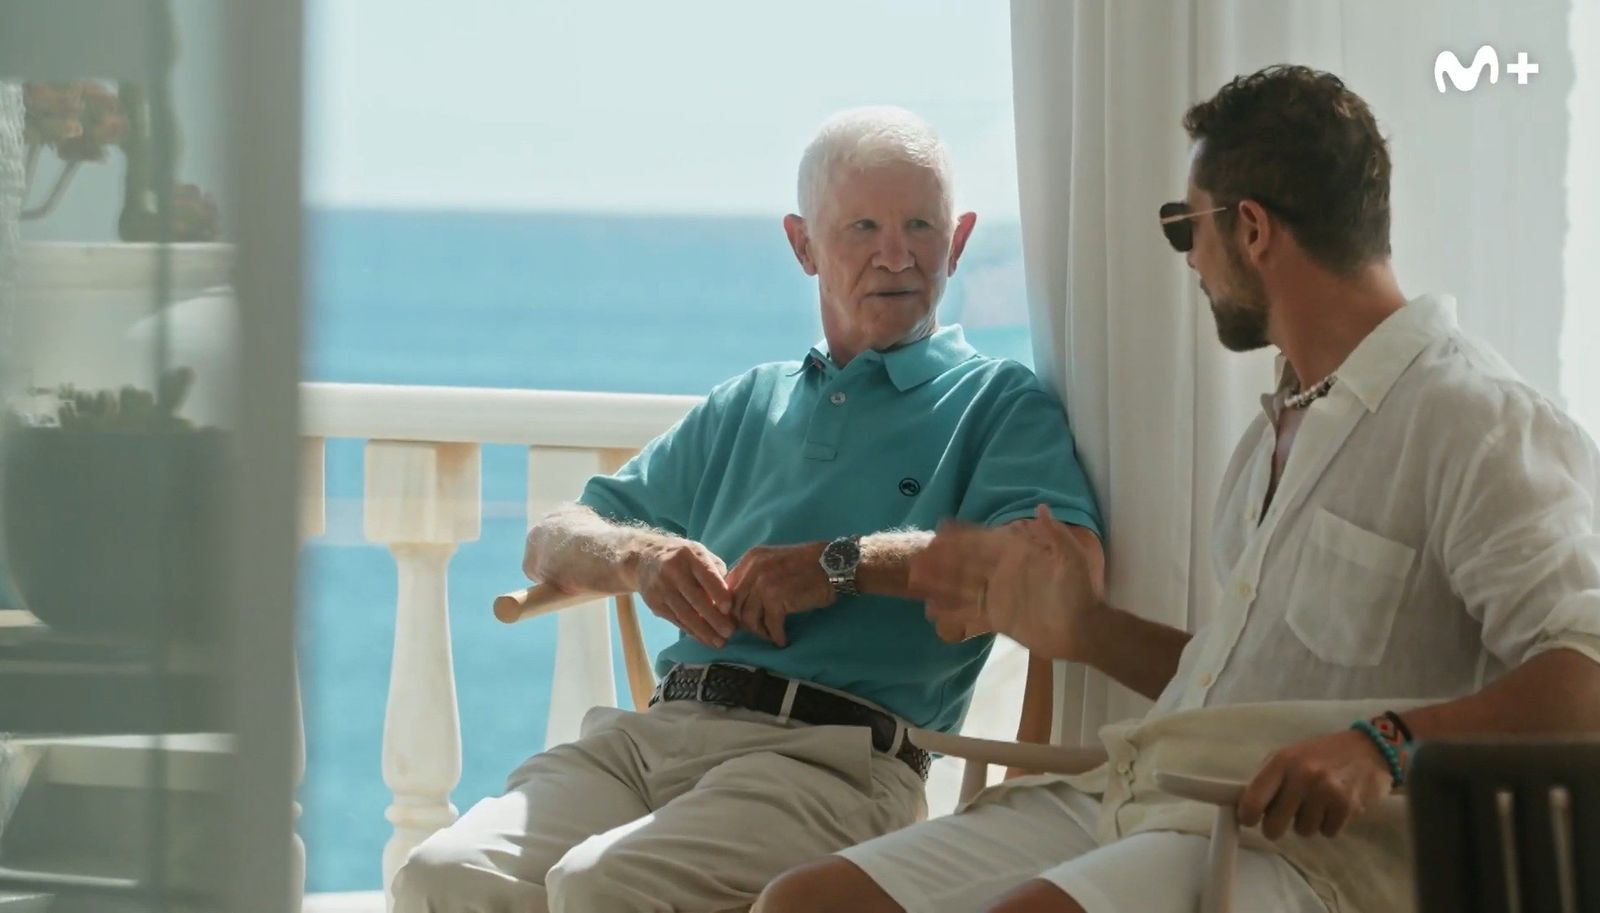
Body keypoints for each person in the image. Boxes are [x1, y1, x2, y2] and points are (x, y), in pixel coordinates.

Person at [756, 64, 1600, 913]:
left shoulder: (1475, 420)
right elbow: (1237, 683)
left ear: (1254, 231)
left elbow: (1587, 669)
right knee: (808, 902)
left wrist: (1380, 745)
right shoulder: (1283, 422)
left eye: (1184, 225)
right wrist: (1085, 630)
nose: (1190, 257)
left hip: (1304, 854)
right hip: (1147, 793)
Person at [389, 105, 1104, 913]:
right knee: (438, 874)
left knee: (601, 884)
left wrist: (841, 564)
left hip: (831, 761)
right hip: (656, 735)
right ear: (803, 244)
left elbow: (1065, 567)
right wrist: (644, 557)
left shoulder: (996, 401)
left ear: (960, 238)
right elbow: (553, 540)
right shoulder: (749, 402)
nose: (895, 254)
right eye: (862, 226)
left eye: (920, 226)